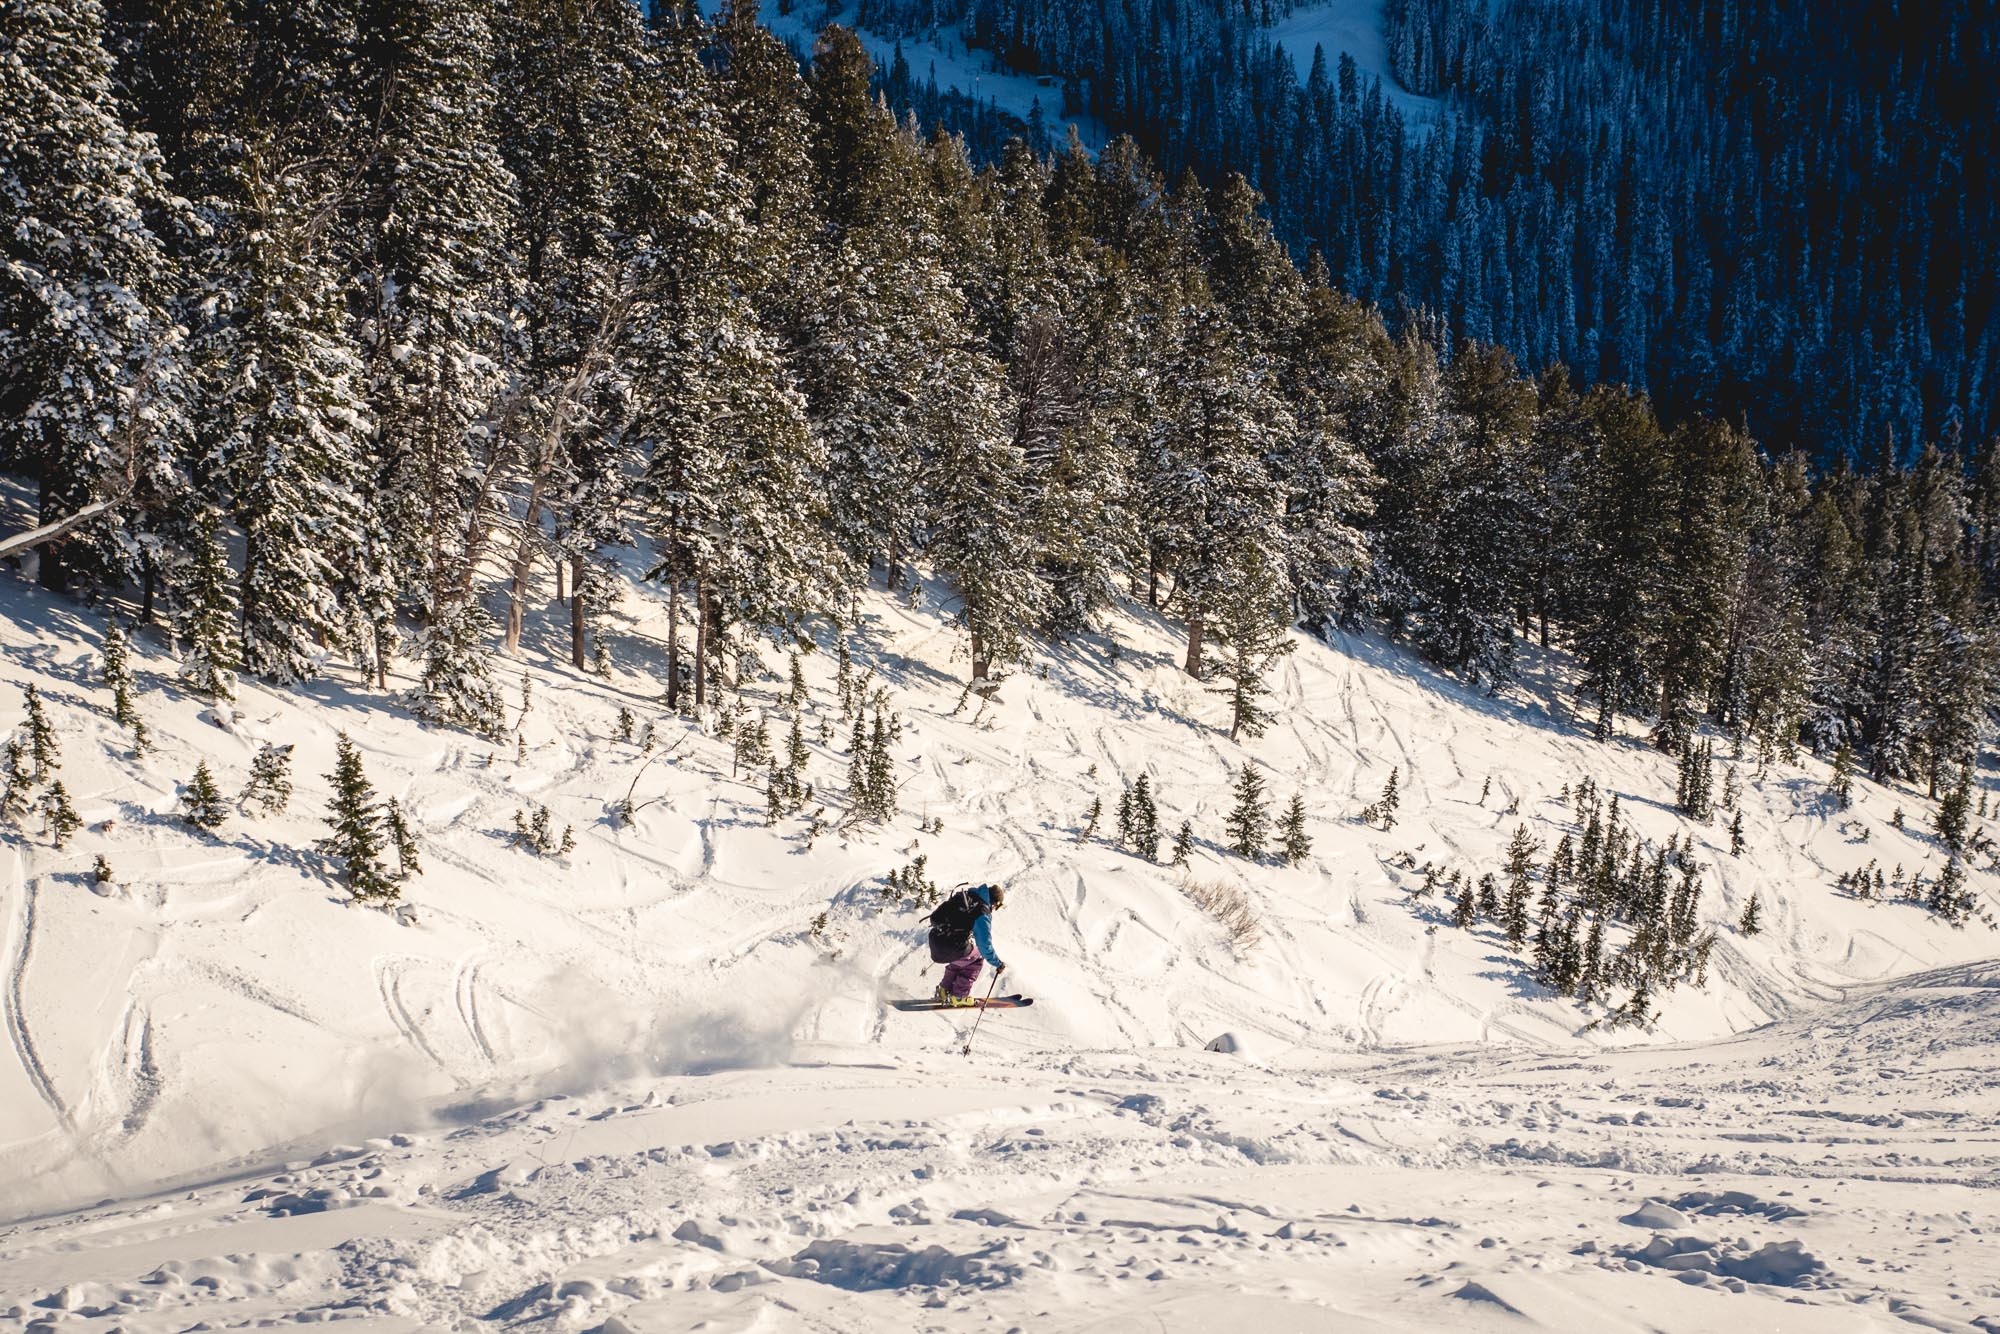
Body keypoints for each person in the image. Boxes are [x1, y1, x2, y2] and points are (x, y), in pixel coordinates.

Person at [927, 882, 1006, 1005]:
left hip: (935, 941)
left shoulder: (966, 897)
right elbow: (984, 945)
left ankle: (943, 991)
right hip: (951, 947)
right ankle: (959, 996)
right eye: (998, 905)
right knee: (977, 958)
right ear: (995, 902)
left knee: (963, 956)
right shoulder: (982, 911)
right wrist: (998, 963)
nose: (996, 908)